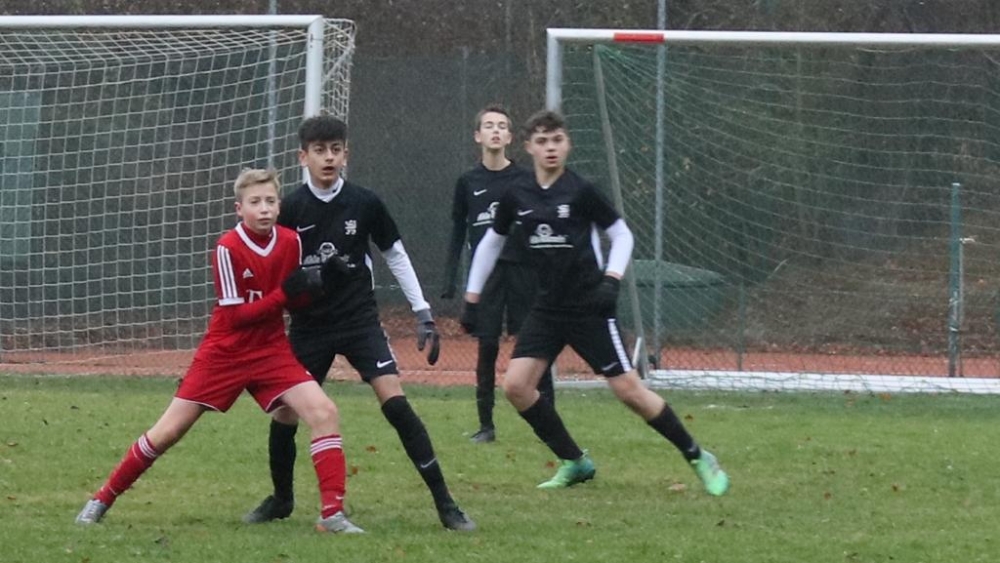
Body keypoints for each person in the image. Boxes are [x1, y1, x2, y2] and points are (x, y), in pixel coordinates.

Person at [75, 169, 363, 533]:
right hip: (225, 353)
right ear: (238, 208)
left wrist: (321, 284)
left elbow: (293, 301)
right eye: (255, 202)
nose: (264, 209)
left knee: (324, 412)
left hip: (271, 350)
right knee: (167, 432)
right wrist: (286, 293)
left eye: (270, 201)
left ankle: (332, 515)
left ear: (279, 205)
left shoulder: (291, 241)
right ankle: (101, 499)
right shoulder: (228, 247)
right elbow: (237, 316)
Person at [461, 110, 730, 494]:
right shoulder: (517, 194)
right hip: (547, 308)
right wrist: (472, 298)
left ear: (568, 144)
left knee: (629, 391)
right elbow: (492, 242)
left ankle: (698, 455)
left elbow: (622, 236)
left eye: (557, 140)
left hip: (590, 307)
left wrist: (611, 280)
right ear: (529, 147)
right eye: (542, 141)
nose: (550, 148)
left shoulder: (582, 191)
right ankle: (575, 461)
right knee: (517, 386)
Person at [243, 114, 475, 531]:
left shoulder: (364, 202)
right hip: (310, 326)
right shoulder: (289, 208)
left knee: (396, 402)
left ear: (346, 154)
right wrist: (301, 285)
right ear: (303, 157)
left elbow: (395, 254)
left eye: (335, 150)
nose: (328, 158)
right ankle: (281, 499)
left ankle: (446, 504)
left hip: (358, 321)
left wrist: (422, 311)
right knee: (285, 412)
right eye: (319, 151)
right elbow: (273, 269)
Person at [441, 104, 555, 444]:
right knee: (487, 344)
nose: (495, 130)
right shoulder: (468, 182)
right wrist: (450, 280)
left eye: (501, 126)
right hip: (488, 278)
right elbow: (458, 231)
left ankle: (549, 424)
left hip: (523, 273)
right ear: (478, 136)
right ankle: (486, 426)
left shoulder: (525, 179)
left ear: (509, 137)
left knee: (534, 345)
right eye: (489, 125)